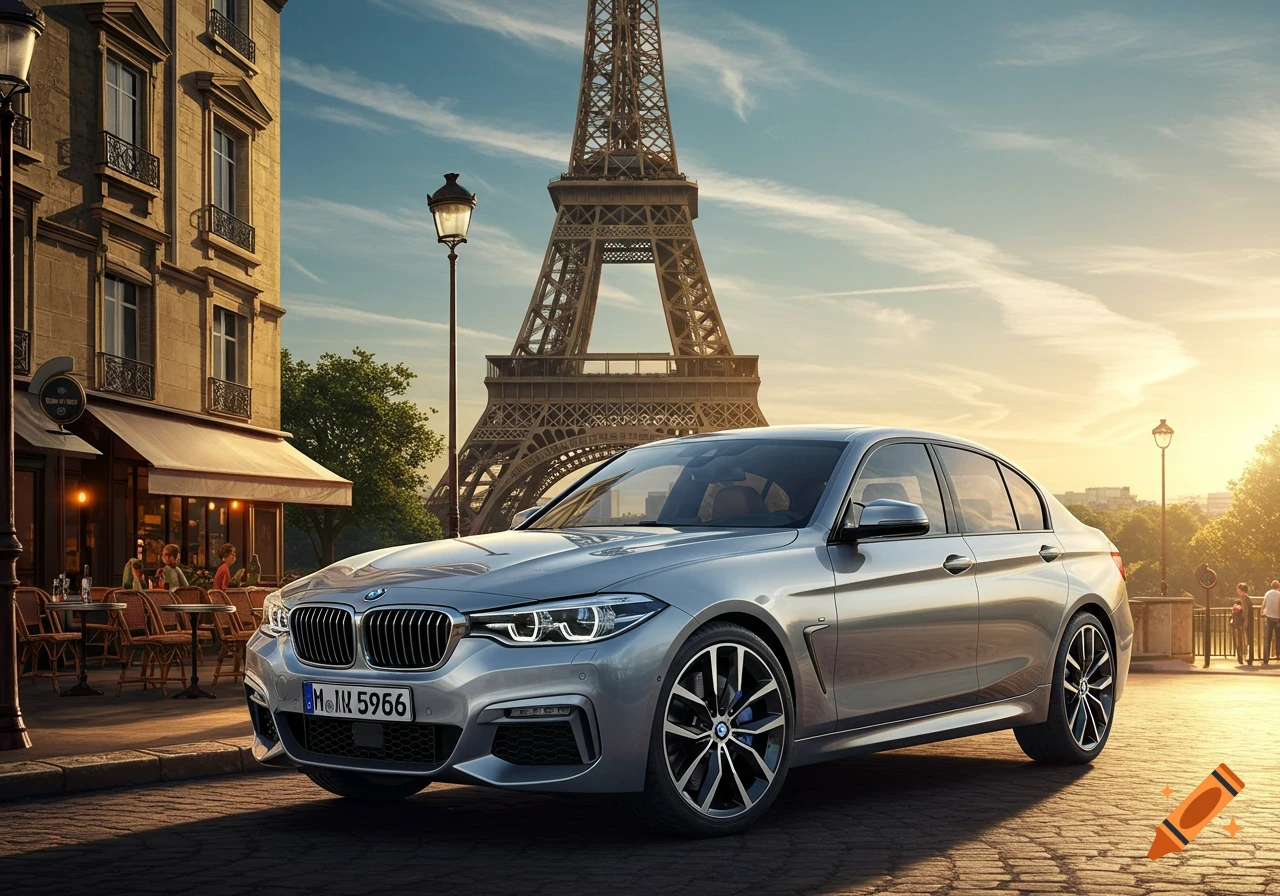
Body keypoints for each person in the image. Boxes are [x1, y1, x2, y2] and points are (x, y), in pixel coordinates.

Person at [1262, 580, 1280, 665]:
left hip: (1268, 618)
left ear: (1271, 586)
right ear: (1278, 587)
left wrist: (1262, 612)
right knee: (1278, 638)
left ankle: (1266, 658)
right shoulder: (1279, 594)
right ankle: (1278, 655)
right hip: (1277, 618)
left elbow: (1263, 605)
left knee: (1267, 638)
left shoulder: (1267, 593)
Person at [1230, 585, 1248, 665]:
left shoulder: (1243, 600)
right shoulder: (1241, 600)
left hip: (1238, 624)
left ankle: (1241, 656)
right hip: (1239, 624)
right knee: (1241, 640)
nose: (1238, 592)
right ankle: (1241, 656)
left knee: (1239, 641)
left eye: (1239, 591)